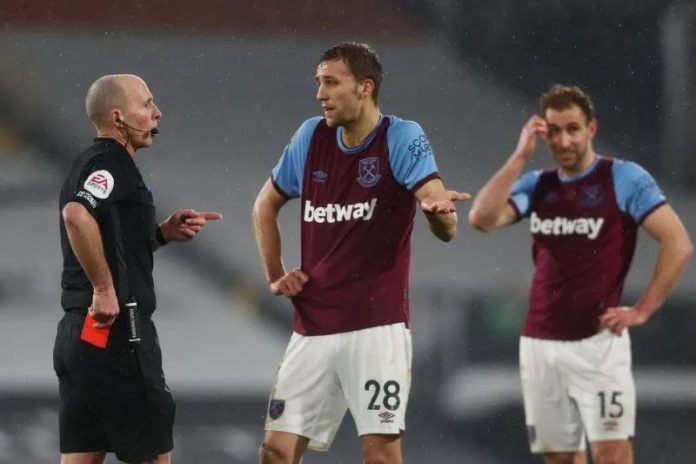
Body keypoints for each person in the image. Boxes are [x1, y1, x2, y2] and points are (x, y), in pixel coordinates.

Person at [252, 42, 469, 464]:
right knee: (276, 451)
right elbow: (264, 205)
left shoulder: (402, 136)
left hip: (376, 327)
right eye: (318, 83)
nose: (320, 94)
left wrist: (437, 213)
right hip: (313, 325)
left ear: (365, 87)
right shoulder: (311, 137)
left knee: (380, 455)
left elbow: (444, 222)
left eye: (331, 83)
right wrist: (275, 273)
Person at [468, 84, 693, 464]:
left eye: (572, 128)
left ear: (591, 128)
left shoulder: (623, 178)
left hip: (598, 343)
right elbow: (481, 218)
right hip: (540, 344)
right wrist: (519, 157)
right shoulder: (538, 185)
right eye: (554, 131)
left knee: (612, 455)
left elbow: (678, 243)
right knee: (559, 459)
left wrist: (642, 309)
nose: (563, 139)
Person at [54, 74, 222, 464]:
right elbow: (76, 215)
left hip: (80, 336)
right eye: (146, 105)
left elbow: (108, 236)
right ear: (117, 117)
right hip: (120, 335)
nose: (156, 112)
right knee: (153, 454)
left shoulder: (88, 163)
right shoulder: (112, 163)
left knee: (82, 455)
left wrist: (161, 235)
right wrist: (104, 288)